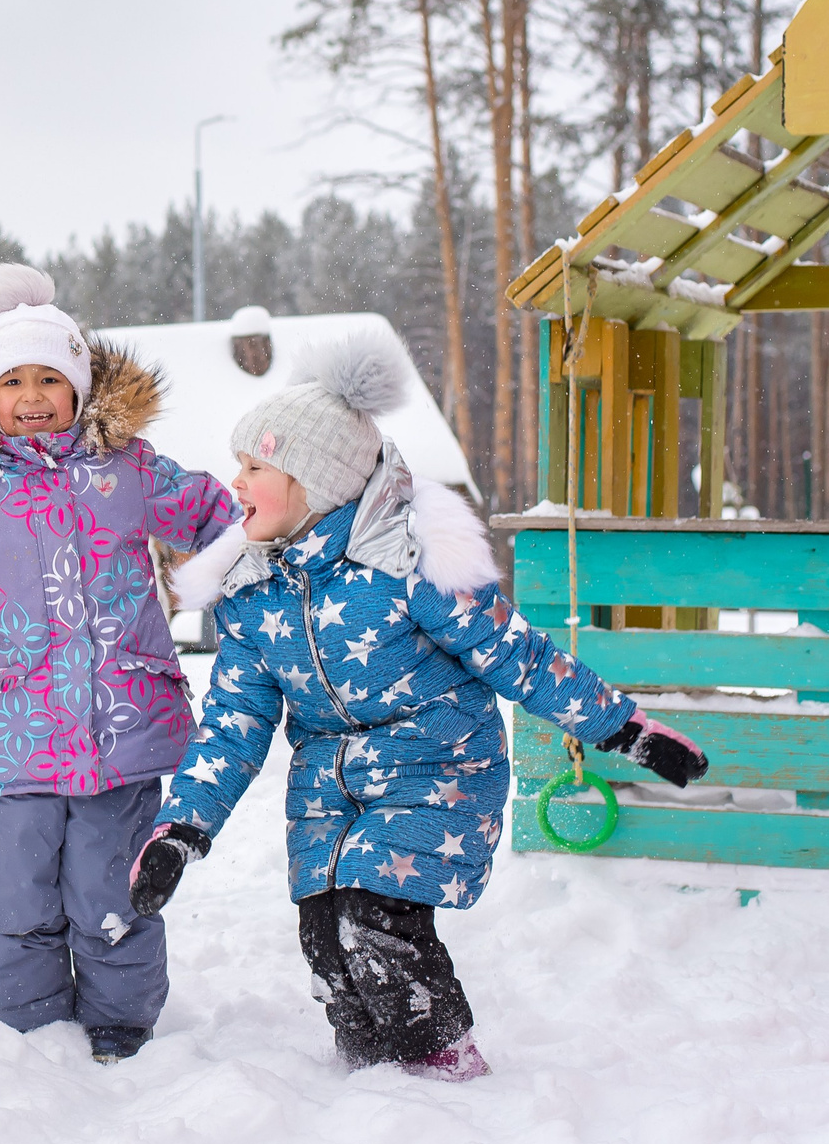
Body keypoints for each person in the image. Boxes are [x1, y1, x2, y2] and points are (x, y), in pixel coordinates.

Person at [129, 327, 710, 1079]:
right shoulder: (251, 590)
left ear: (316, 481)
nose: (233, 482)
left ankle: (444, 1071)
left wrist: (622, 727)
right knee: (326, 937)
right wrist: (183, 828)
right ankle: (371, 1074)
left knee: (377, 921)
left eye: (254, 465)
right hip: (329, 789)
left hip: (435, 766)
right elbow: (235, 723)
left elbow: (518, 655)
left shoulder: (412, 566)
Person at [0, 263, 236, 1064]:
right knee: (17, 892)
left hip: (125, 731)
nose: (34, 395)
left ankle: (121, 1027)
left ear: (79, 386)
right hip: (20, 733)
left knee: (110, 890)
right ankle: (27, 1027)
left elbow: (220, 518)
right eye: (14, 381)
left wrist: (267, 544)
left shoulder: (130, 469)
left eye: (51, 377)